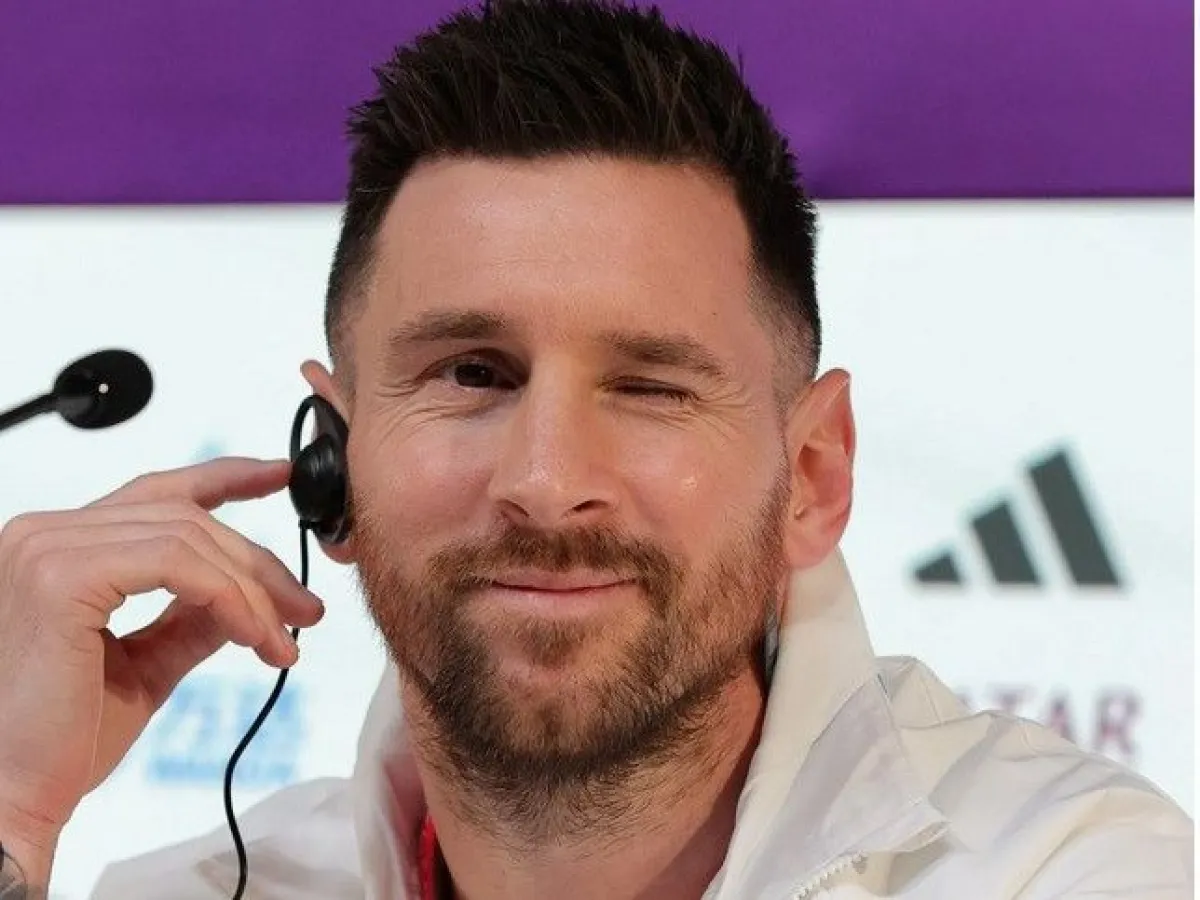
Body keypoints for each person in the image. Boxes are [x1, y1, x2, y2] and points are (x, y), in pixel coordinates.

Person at [0, 1, 1191, 898]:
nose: (547, 482)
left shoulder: (1064, 870)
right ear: (332, 466)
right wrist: (10, 816)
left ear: (812, 479)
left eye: (651, 386)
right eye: (473, 374)